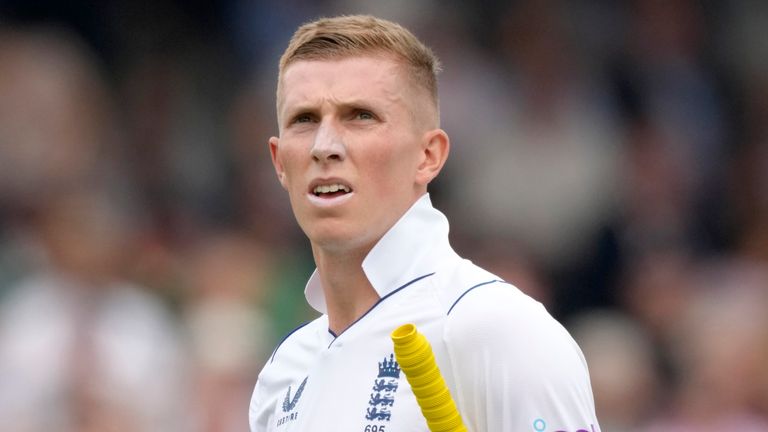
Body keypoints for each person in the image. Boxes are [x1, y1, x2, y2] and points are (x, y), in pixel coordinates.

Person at [249, 15, 600, 432]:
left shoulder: (499, 329)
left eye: (360, 116)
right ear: (279, 162)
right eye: (304, 119)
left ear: (428, 155)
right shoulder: (285, 370)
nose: (325, 146)